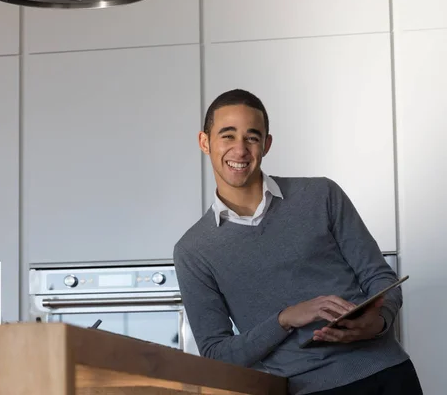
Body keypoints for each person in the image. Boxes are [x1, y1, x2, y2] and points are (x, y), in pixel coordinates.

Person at [173, 89, 423, 395]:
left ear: (266, 144)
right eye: (227, 136)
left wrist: (379, 322)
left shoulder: (321, 195)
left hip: (387, 375)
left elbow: (381, 277)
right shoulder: (193, 251)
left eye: (252, 137)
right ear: (204, 142)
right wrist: (285, 319)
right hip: (305, 391)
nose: (240, 150)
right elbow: (217, 354)